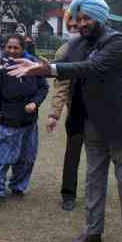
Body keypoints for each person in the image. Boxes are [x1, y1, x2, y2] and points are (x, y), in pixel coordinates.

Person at [7, 0, 122, 242]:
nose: (81, 23)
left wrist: (48, 70)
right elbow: (63, 65)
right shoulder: (76, 44)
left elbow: (90, 67)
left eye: (86, 18)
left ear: (100, 18)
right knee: (93, 180)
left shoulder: (116, 41)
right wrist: (36, 62)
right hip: (92, 123)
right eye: (78, 18)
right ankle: (93, 231)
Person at [0, 34, 49, 205]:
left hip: (28, 119)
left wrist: (35, 102)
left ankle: (18, 185)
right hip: (5, 118)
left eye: (15, 48)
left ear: (22, 48)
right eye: (8, 47)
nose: (11, 51)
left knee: (26, 158)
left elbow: (43, 87)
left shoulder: (32, 63)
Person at [47, 14, 83, 211]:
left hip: (102, 112)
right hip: (77, 110)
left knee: (103, 156)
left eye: (77, 23)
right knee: (72, 154)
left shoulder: (102, 47)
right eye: (71, 24)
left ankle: (98, 192)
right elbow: (61, 85)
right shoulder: (65, 50)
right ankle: (68, 194)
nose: (75, 27)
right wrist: (54, 114)